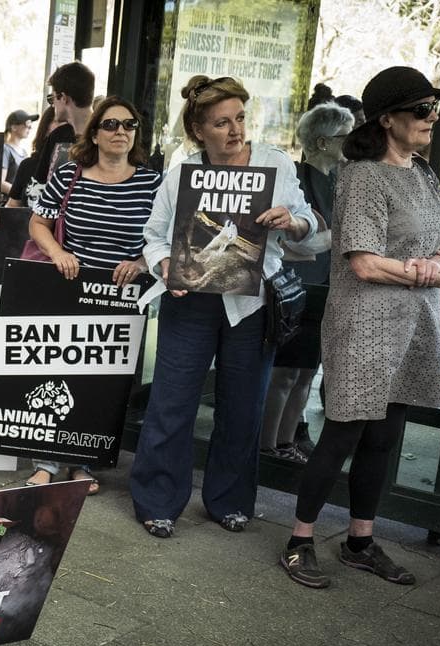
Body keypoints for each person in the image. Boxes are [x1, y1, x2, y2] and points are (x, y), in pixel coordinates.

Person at [281, 67, 440, 589]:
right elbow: (363, 263)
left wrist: (437, 264)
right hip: (364, 323)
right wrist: (424, 272)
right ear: (388, 119)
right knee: (342, 433)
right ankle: (299, 541)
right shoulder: (361, 176)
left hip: (414, 323)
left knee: (385, 437)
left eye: (435, 109)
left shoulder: (424, 171)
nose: (433, 118)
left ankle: (359, 541)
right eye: (422, 110)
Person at [130, 75, 316, 538]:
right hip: (190, 300)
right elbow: (153, 238)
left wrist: (291, 221)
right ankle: (157, 499)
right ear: (199, 131)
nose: (235, 131)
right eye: (221, 123)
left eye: (239, 119)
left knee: (243, 407)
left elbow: (310, 224)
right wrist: (166, 266)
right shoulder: (182, 173)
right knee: (172, 403)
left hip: (251, 304)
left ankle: (230, 500)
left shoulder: (275, 164)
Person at [24, 97, 162, 494]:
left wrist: (140, 261)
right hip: (69, 288)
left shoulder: (152, 182)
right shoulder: (70, 174)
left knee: (104, 383)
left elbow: (164, 237)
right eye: (111, 124)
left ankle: (83, 462)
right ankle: (46, 463)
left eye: (129, 125)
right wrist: (58, 253)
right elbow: (39, 223)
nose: (121, 131)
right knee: (56, 373)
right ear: (96, 133)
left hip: (122, 297)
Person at [259, 102, 353, 462]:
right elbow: (293, 243)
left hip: (326, 286)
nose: (351, 143)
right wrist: (335, 237)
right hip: (297, 287)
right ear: (324, 141)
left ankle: (286, 442)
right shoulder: (298, 180)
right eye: (345, 136)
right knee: (285, 373)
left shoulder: (338, 182)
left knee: (305, 374)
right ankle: (268, 446)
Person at [1, 109, 36, 194]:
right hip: (7, 202)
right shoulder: (5, 149)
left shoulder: (24, 152)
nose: (30, 127)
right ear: (14, 127)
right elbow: (1, 183)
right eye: (27, 124)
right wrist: (21, 194)